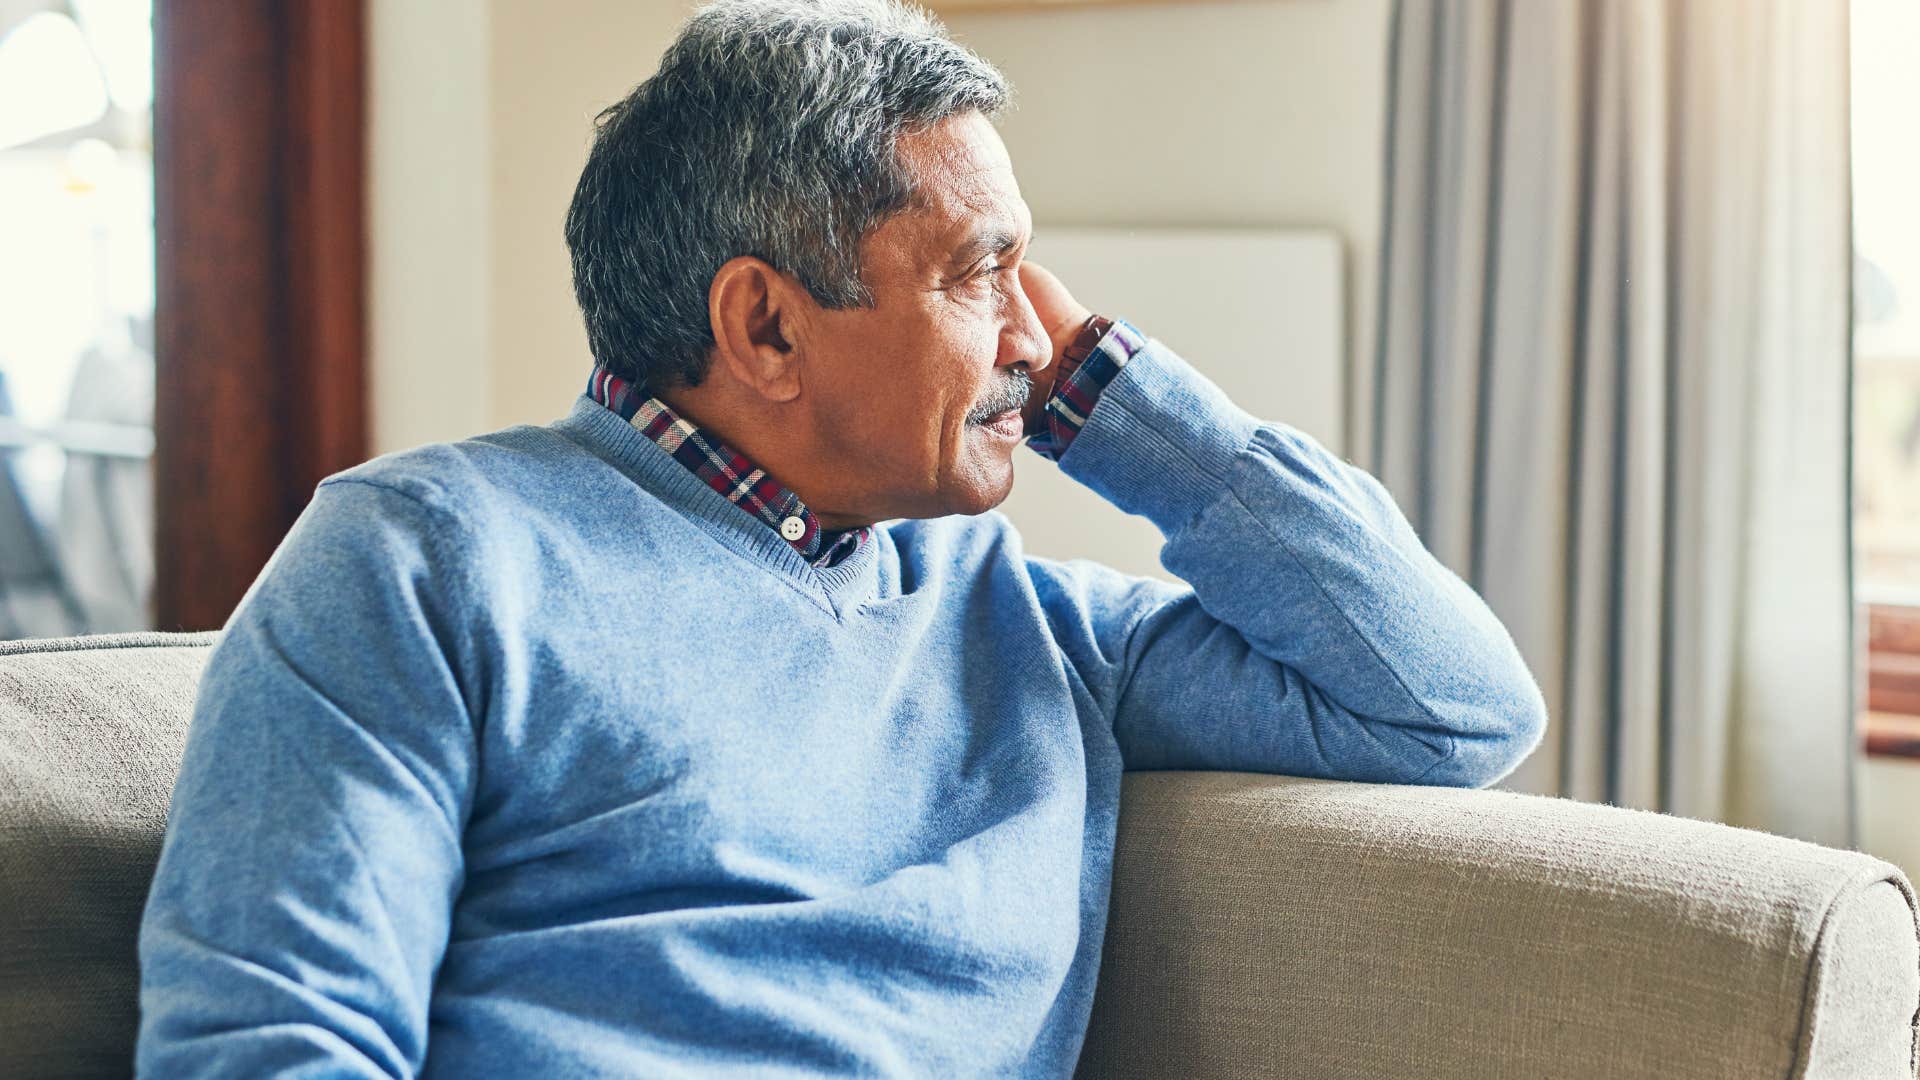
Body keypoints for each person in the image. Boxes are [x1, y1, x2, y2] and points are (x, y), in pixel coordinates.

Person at [135, 1, 1547, 1075]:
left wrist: (1129, 410)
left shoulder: (1037, 632)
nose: (1029, 332)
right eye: (976, 270)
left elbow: (1451, 708)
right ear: (763, 324)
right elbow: (269, 1042)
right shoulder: (426, 560)